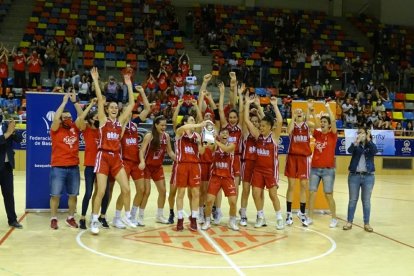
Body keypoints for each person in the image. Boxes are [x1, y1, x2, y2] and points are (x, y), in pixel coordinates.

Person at [89, 67, 135, 235]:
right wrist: (95, 80)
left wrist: (128, 84)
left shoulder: (120, 122)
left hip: (116, 158)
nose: (114, 109)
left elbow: (131, 104)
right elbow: (101, 100)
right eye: (112, 107)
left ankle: (127, 216)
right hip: (103, 156)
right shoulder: (103, 120)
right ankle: (94, 220)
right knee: (101, 191)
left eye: (116, 107)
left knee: (127, 189)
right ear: (108, 110)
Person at [245, 96, 284, 230]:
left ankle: (279, 218)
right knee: (256, 193)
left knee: (273, 195)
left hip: (270, 170)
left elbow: (279, 120)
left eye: (263, 126)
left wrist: (275, 105)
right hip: (258, 170)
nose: (260, 127)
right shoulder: (258, 136)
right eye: (260, 126)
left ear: (269, 127)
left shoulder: (274, 137)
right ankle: (260, 216)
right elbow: (246, 121)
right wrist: (247, 104)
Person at [49, 92, 83, 230]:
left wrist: (75, 103)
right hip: (58, 167)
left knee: (73, 195)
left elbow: (82, 116)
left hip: (74, 167)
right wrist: (63, 102)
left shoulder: (75, 127)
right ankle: (53, 218)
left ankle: (70, 218)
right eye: (65, 117)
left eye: (69, 117)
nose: (68, 119)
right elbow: (56, 118)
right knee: (55, 195)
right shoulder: (56, 129)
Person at [75, 99, 110, 229]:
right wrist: (91, 105)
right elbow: (80, 119)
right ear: (90, 119)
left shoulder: (103, 130)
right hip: (90, 165)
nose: (98, 120)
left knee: (105, 192)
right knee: (89, 192)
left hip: (103, 165)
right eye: (95, 118)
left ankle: (102, 216)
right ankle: (83, 218)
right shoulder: (87, 129)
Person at [138, 116, 176, 224]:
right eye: (162, 125)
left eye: (165, 125)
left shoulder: (167, 136)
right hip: (147, 167)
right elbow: (141, 150)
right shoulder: (149, 136)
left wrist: (179, 159)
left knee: (163, 191)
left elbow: (170, 152)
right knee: (147, 192)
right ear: (156, 125)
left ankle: (159, 216)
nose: (164, 127)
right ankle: (140, 216)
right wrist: (142, 161)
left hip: (158, 167)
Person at [201, 128, 238, 231]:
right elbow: (208, 145)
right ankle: (207, 221)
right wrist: (207, 138)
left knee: (233, 202)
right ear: (220, 135)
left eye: (226, 133)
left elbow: (226, 150)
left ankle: (232, 221)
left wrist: (215, 139)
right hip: (215, 176)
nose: (225, 134)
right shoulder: (215, 145)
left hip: (228, 177)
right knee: (209, 201)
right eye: (223, 133)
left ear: (229, 136)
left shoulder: (232, 145)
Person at [308, 102, 338, 227]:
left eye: (325, 122)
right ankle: (309, 217)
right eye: (322, 122)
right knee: (312, 192)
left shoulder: (333, 135)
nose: (322, 123)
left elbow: (333, 120)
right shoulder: (318, 134)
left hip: (328, 170)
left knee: (328, 194)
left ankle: (334, 218)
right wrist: (312, 112)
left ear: (329, 125)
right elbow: (314, 123)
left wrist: (327, 108)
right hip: (315, 169)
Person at [174, 116, 206, 231]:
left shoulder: (197, 136)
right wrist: (199, 125)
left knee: (195, 193)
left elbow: (201, 152)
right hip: (182, 164)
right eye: (191, 120)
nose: (194, 122)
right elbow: (184, 127)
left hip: (195, 165)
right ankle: (180, 219)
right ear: (186, 122)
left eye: (194, 120)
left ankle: (194, 218)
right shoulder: (180, 132)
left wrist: (199, 144)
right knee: (181, 193)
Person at [285, 102, 314, 227]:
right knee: (291, 185)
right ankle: (288, 213)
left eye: (300, 112)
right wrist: (293, 116)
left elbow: (316, 124)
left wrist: (308, 111)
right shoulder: (293, 125)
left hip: (303, 158)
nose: (299, 113)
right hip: (292, 157)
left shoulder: (307, 126)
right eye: (297, 112)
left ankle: (302, 213)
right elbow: (289, 131)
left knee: (303, 185)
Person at [343, 127, 378, 232]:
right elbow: (349, 151)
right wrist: (356, 142)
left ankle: (366, 223)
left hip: (368, 176)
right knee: (352, 200)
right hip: (354, 176)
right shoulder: (355, 144)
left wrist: (368, 139)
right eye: (358, 133)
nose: (360, 134)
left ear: (367, 134)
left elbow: (375, 151)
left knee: (366, 201)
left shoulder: (370, 144)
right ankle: (349, 222)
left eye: (362, 133)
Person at [0, 116, 23, 229]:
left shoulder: (6, 126)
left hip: (7, 167)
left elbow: (19, 139)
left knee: (9, 195)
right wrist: (8, 133)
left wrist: (13, 131)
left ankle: (12, 220)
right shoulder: (6, 130)